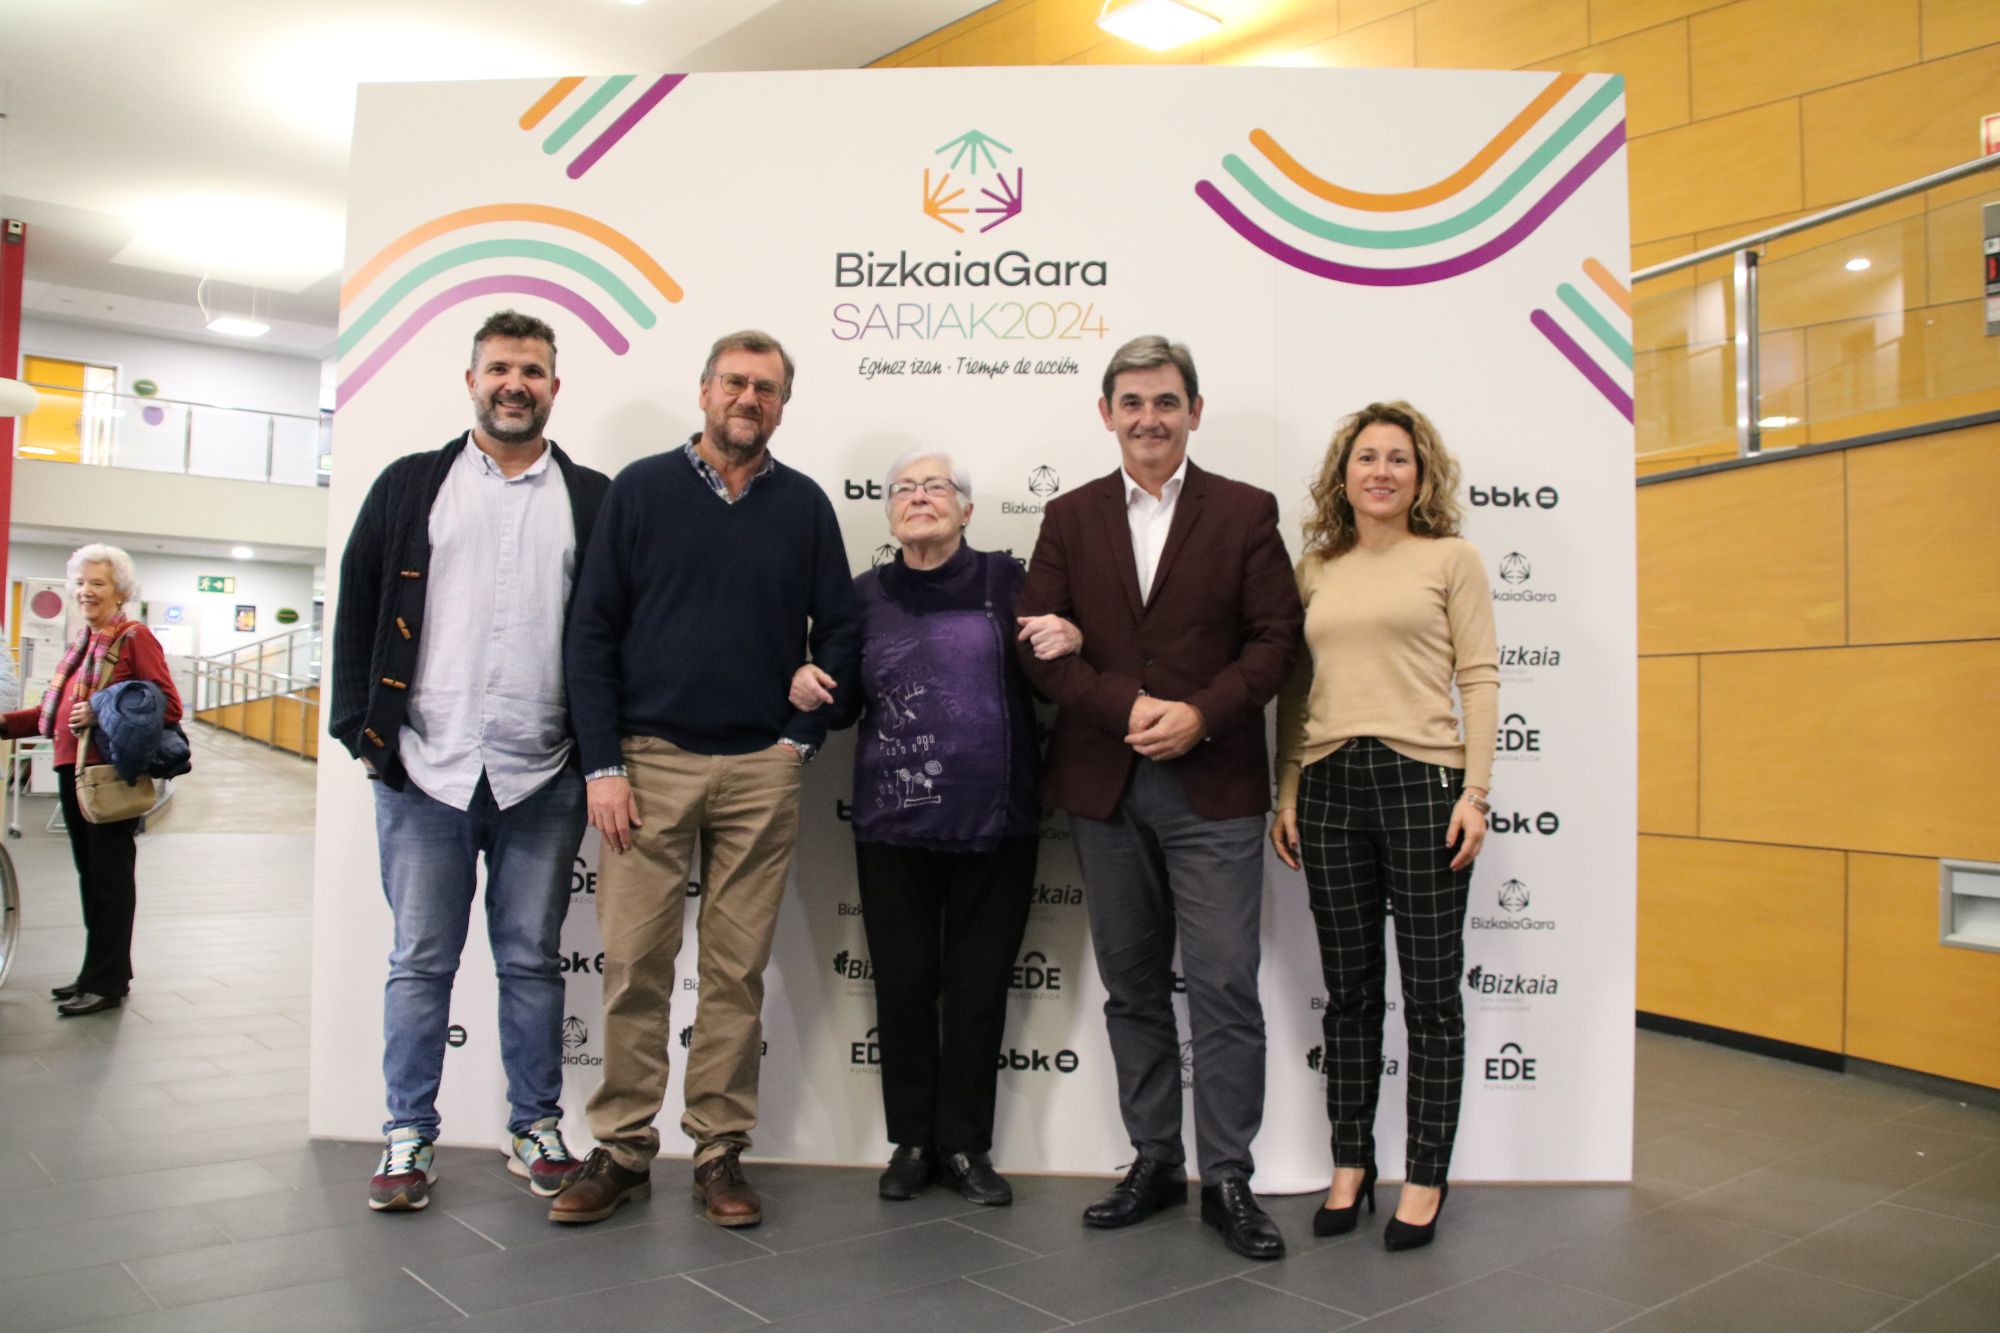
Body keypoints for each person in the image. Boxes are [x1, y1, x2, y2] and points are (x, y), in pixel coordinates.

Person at [554, 329, 860, 1229]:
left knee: (735, 971)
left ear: (783, 405)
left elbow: (843, 635)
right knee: (634, 965)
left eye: (766, 387)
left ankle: (719, 1147)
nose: (748, 398)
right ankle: (622, 1149)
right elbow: (590, 633)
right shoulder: (641, 490)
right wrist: (603, 763)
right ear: (704, 391)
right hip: (646, 763)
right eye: (734, 382)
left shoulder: (804, 506)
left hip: (761, 769)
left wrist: (800, 736)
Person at [1014, 336, 1302, 1260]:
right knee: (1133, 987)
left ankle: (1228, 1176)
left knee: (1222, 986)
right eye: (1132, 402)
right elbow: (1037, 645)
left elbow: (1276, 640)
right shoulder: (1069, 516)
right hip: (1105, 788)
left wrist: (1200, 715)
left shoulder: (1246, 511)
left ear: (1194, 411)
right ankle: (1153, 1158)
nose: (1149, 418)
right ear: (1106, 413)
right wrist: (1127, 705)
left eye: (1166, 401)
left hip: (1213, 785)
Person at [329, 309, 609, 1213]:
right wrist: (361, 733)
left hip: (543, 773)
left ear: (554, 387)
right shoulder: (411, 484)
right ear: (472, 380)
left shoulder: (593, 498)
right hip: (424, 770)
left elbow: (611, 632)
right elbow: (358, 604)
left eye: (531, 370)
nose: (514, 384)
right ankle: (407, 1132)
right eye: (499, 368)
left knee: (531, 961)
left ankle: (535, 1126)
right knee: (420, 962)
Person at [790, 450, 1081, 1206]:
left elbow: (1054, 671)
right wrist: (812, 684)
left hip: (998, 822)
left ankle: (966, 1146)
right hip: (892, 826)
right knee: (904, 987)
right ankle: (913, 1142)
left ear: (967, 510)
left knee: (978, 991)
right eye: (905, 490)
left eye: (937, 487)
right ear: (889, 512)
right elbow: (843, 705)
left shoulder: (1009, 582)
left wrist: (1074, 638)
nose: (920, 498)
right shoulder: (862, 597)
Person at [1271, 401, 1497, 1253]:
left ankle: (1426, 1175)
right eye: (1366, 457)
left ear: (1421, 474)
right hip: (1330, 785)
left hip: (1424, 784)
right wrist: (1287, 789)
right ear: (1344, 474)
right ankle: (1350, 1165)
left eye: (1399, 458)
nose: (1381, 471)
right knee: (1352, 992)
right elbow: (1296, 689)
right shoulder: (1317, 566)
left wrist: (1476, 791)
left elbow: (1479, 677)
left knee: (1432, 996)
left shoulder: (1452, 558)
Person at [4, 544, 181, 1017]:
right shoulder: (83, 644)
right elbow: (53, 712)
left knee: (109, 880)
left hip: (108, 775)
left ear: (120, 591)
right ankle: (98, 974)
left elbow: (167, 704)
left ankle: (106, 983)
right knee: (93, 879)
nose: (86, 591)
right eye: (80, 582)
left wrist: (101, 711)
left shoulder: (134, 637)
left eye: (97, 583)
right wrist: (6, 724)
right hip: (75, 770)